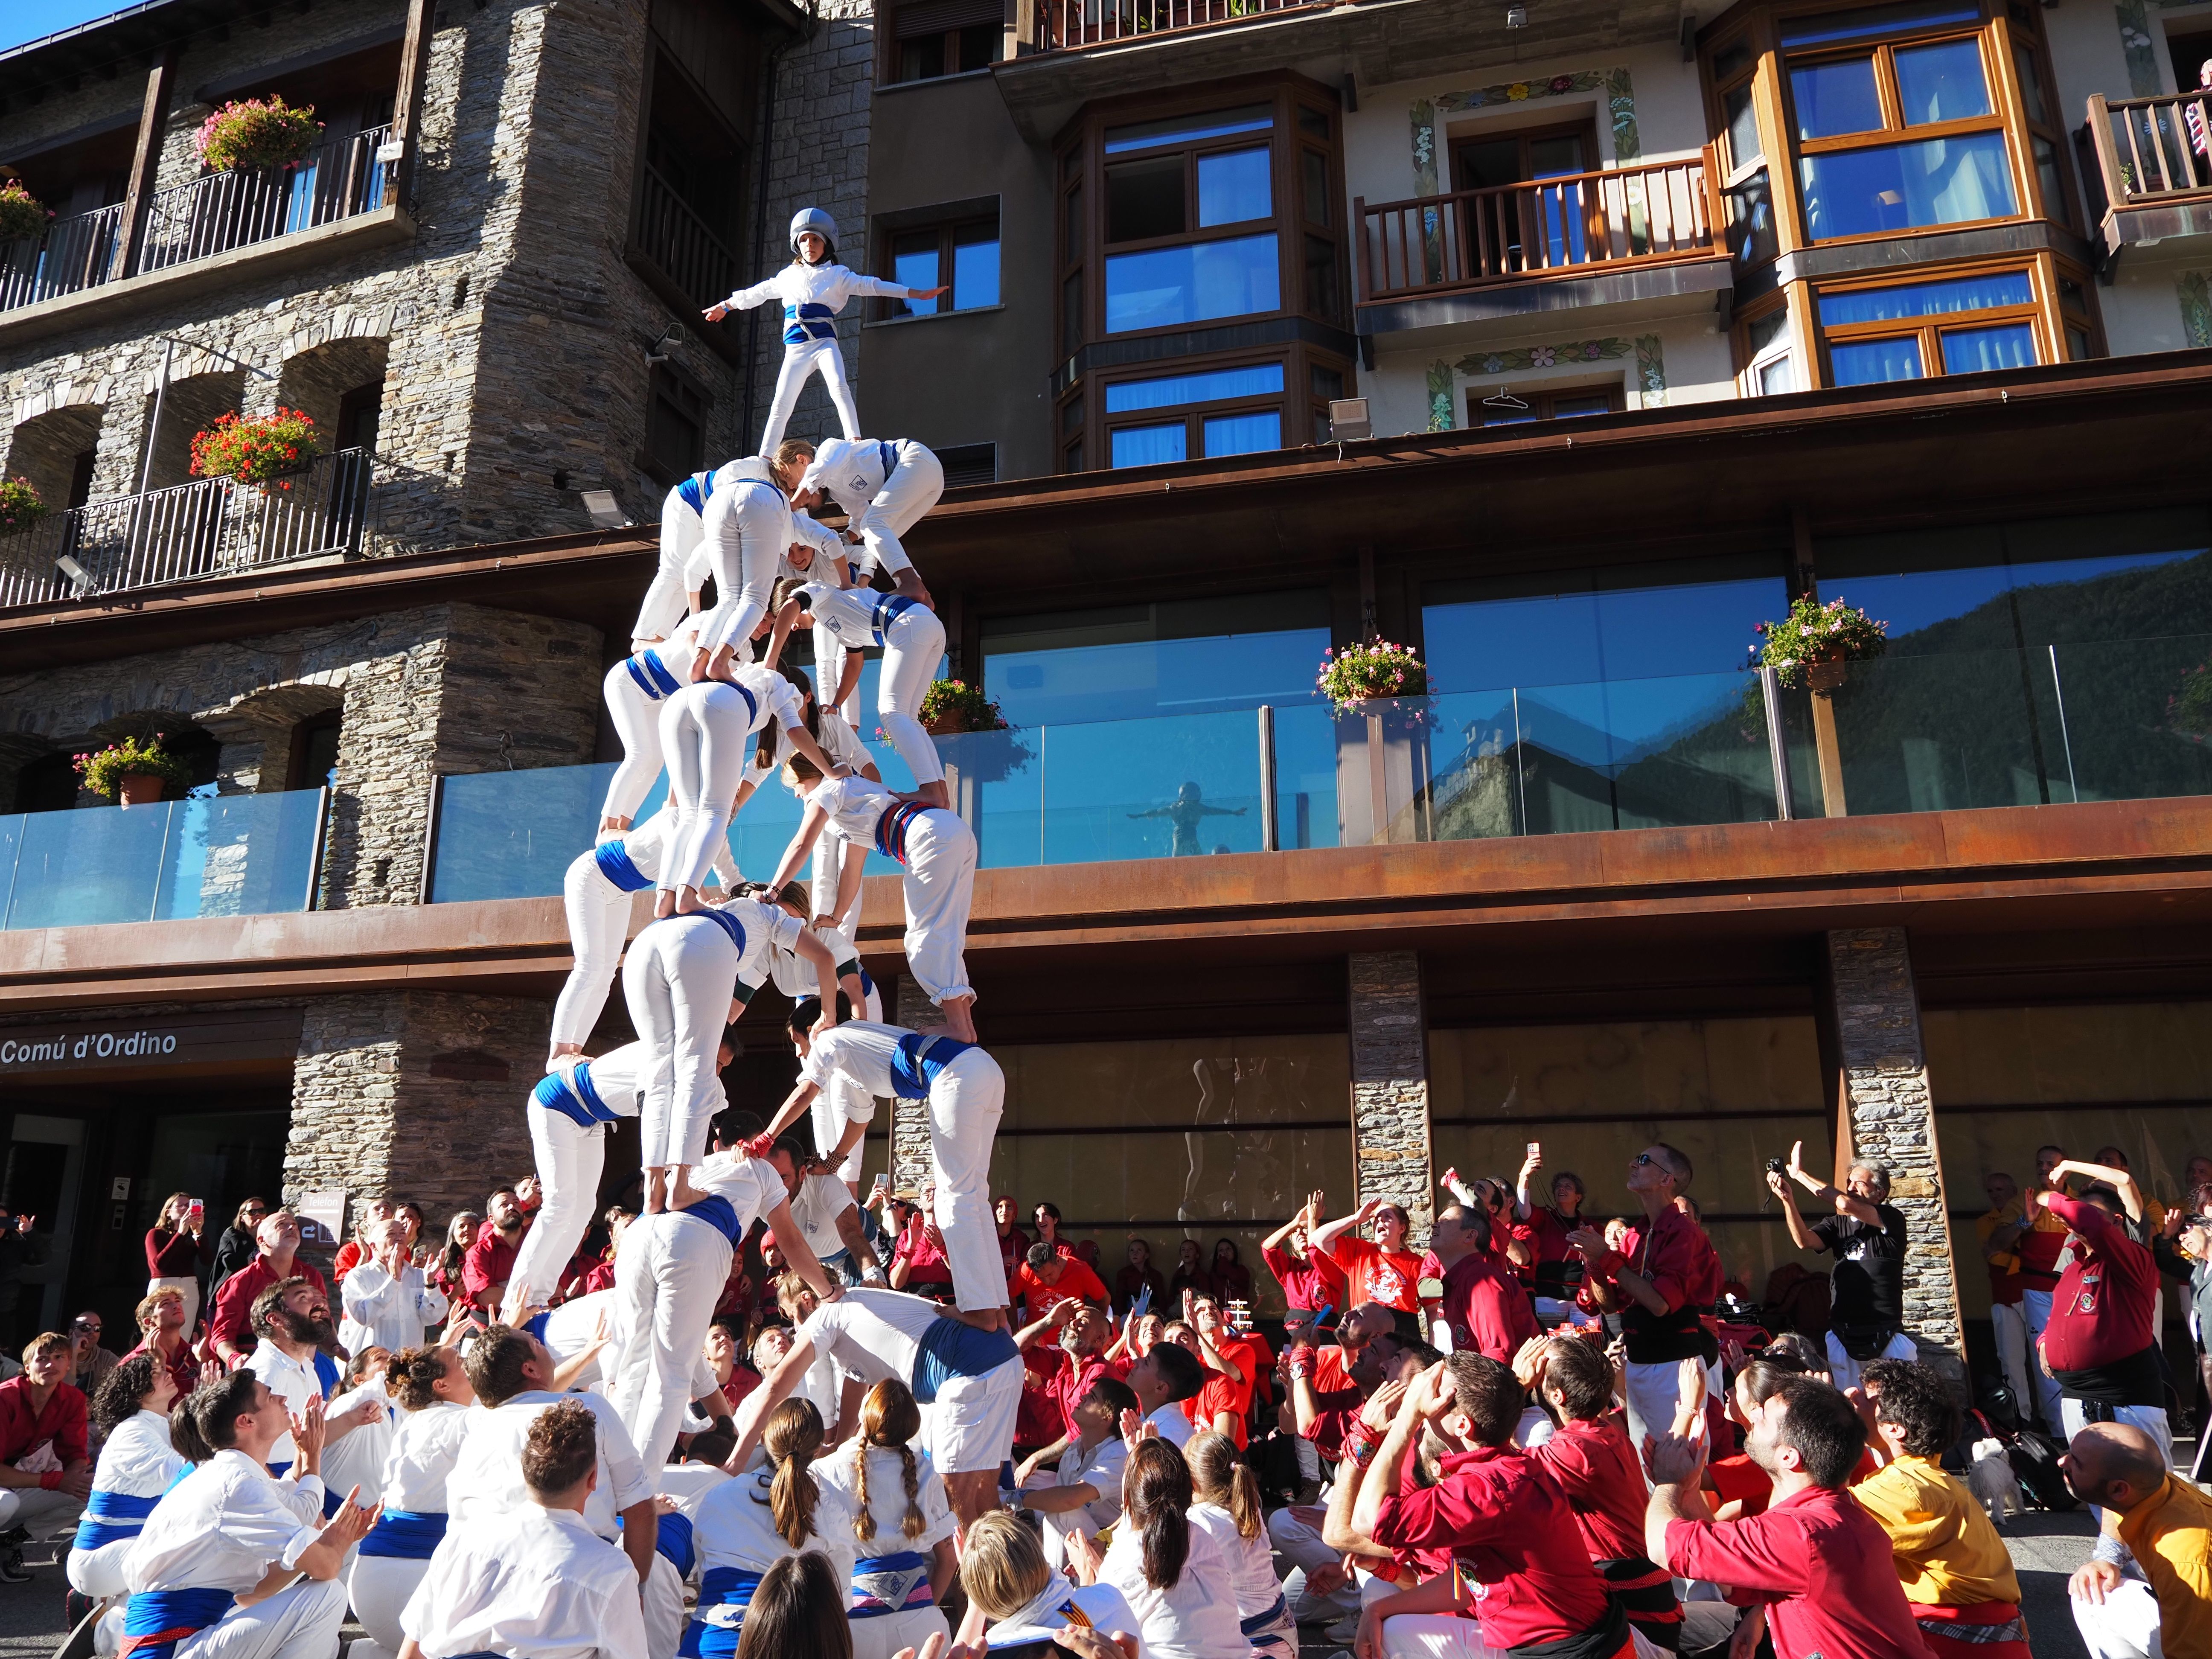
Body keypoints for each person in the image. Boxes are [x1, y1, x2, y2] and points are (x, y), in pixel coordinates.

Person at [1327, 1354, 1615, 1659]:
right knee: (1381, 1604)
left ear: (1463, 1425)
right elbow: (1466, 1581)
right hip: (1582, 1641)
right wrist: (1379, 1610)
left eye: (1435, 1396)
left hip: (1569, 1651)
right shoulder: (1506, 1469)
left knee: (1394, 1633)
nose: (1425, 1400)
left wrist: (1407, 1416)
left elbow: (1365, 1521)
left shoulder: (1486, 1488)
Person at [1646, 1376, 1931, 1659]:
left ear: (1788, 1457)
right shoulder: (1840, 1511)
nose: (1754, 1414)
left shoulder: (1799, 1533)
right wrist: (1688, 1490)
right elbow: (1738, 1584)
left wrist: (1668, 1481)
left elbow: (1662, 1547)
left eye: (1764, 1417)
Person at [608, 1134, 836, 1474]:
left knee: (633, 1366)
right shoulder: (762, 1170)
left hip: (639, 1235)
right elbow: (790, 1239)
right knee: (671, 1375)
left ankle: (613, 1480)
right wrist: (828, 1292)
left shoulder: (699, 1162)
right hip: (692, 1237)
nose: (784, 1182)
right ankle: (637, 1492)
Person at [760, 1011, 1004, 1314]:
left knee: (955, 1196)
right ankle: (996, 1309)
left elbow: (806, 1092)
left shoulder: (828, 1040)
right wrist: (834, 1161)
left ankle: (978, 1310)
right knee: (975, 1195)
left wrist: (764, 1139)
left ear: (812, 1031)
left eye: (798, 1042)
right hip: (985, 1070)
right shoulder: (851, 1052)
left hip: (955, 1075)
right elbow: (861, 1118)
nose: (799, 1053)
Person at [121, 1368, 376, 1659]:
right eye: (269, 1396)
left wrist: (311, 1453)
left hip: (176, 1644)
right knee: (327, 1597)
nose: (281, 1398)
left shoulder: (232, 1473)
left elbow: (254, 1592)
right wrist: (335, 1541)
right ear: (246, 1421)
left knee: (318, 1601)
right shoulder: (237, 1485)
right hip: (167, 1647)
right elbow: (326, 1568)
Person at [732, 1281, 1023, 1534]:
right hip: (1006, 1360)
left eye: (790, 1314)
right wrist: (839, 1445)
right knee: (986, 1498)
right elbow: (855, 1382)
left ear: (807, 1301)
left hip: (967, 1372)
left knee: (956, 1501)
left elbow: (774, 1387)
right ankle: (1020, 1584)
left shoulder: (826, 1315)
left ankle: (988, 1591)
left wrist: (734, 1464)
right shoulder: (859, 1305)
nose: (794, 1328)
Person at [627, 896, 845, 1216]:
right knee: (697, 1071)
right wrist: (828, 1015)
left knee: (661, 1070)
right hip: (702, 941)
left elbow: (730, 1011)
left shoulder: (742, 933)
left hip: (647, 942)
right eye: (796, 914)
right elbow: (825, 958)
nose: (799, 922)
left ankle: (654, 1188)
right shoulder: (770, 914)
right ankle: (680, 1186)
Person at [388, 1395, 644, 1659]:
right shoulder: (611, 1571)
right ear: (594, 1479)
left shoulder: (461, 1540)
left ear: (525, 1472)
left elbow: (411, 1652)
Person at [765, 753, 980, 1043]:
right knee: (948, 933)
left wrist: (772, 892)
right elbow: (852, 869)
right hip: (952, 831)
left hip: (927, 838)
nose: (796, 793)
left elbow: (802, 843)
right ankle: (963, 1026)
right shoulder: (856, 791)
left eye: (795, 785)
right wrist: (837, 917)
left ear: (806, 777)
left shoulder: (826, 791)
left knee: (924, 939)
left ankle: (957, 1025)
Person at [706, 210, 940, 450]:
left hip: (824, 343)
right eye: (804, 240)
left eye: (816, 239)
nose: (810, 245)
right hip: (796, 348)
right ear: (797, 245)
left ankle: (855, 441)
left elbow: (871, 286)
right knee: (781, 403)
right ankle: (765, 457)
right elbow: (759, 292)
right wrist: (726, 306)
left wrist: (912, 293)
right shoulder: (788, 276)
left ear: (827, 243)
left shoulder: (837, 275)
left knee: (839, 386)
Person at [446, 1324, 659, 1584]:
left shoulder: (472, 1424)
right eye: (535, 1342)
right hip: (576, 1571)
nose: (542, 1344)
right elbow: (639, 1507)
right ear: (531, 1369)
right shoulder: (589, 1408)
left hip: (474, 1575)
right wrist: (637, 1591)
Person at [1515, 1332, 1680, 1653]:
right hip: (1645, 1605)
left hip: (1636, 1621)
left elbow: (1499, 1472)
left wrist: (1517, 1386)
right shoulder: (1603, 1432)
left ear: (1557, 1396)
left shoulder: (1577, 1451)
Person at [1852, 1359, 2026, 1659]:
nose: (1853, 1397)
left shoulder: (1905, 1487)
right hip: (1979, 1639)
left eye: (1869, 1399)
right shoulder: (1921, 1476)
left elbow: (1800, 1525)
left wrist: (1819, 1428)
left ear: (1895, 1429)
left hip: (1956, 1641)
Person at [552, 803, 742, 1058]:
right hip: (591, 876)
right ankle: (559, 1051)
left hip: (622, 892)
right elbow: (682, 875)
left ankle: (575, 1048)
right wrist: (706, 903)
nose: (723, 821)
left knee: (607, 971)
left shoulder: (717, 840)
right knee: (590, 967)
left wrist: (757, 899)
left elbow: (733, 881)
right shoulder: (679, 819)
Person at [653, 668, 845, 919]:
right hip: (719, 705)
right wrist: (829, 772)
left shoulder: (750, 672)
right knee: (714, 813)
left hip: (677, 703)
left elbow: (759, 769)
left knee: (691, 815)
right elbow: (796, 732)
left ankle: (665, 897)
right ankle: (687, 896)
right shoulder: (784, 687)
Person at [1571, 1144, 1722, 1449]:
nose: (1632, 1164)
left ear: (1667, 1180)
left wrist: (1606, 1257)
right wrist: (1595, 1265)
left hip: (1674, 1367)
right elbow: (1610, 1304)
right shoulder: (1636, 1235)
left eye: (1643, 1160)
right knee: (1649, 1467)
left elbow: (1660, 1303)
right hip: (1638, 1363)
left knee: (1681, 1468)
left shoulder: (1685, 1234)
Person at [509, 1041, 658, 1319]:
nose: (718, 1070)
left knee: (584, 1209)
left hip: (592, 1121)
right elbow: (656, 1128)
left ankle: (539, 1300)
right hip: (556, 1104)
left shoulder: (693, 1076)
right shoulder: (663, 1059)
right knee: (561, 1203)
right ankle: (516, 1301)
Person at [768, 579, 948, 809]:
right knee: (909, 717)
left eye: (790, 619)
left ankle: (930, 790)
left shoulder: (816, 591)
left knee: (892, 712)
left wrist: (771, 663)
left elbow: (792, 606)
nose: (793, 627)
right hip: (926, 626)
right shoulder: (835, 617)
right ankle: (940, 793)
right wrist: (835, 705)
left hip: (906, 623)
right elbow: (854, 663)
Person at [684, 1397, 844, 1654]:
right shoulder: (832, 1513)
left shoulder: (718, 1496)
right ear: (817, 1452)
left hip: (709, 1645)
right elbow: (839, 1598)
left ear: (763, 1441)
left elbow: (704, 1573)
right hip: (787, 1647)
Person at [812, 1378, 956, 1659]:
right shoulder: (926, 1471)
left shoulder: (824, 1471)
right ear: (911, 1425)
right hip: (925, 1624)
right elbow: (949, 1561)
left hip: (852, 1625)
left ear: (865, 1418)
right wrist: (924, 1605)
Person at [348, 1346, 475, 1659]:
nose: (469, 1363)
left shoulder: (412, 1423)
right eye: (460, 1361)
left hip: (367, 1595)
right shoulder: (472, 1421)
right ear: (441, 1385)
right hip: (421, 1593)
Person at [1076, 1436, 1246, 1659]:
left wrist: (1088, 1582)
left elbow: (1096, 1634)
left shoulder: (1126, 1556)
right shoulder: (1203, 1538)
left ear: (1126, 1500)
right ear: (1190, 1493)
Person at [2038, 1181, 2170, 1468]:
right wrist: (2045, 1341)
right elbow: (2058, 1314)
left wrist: (2052, 1198)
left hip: (2125, 1396)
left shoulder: (2133, 1259)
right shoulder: (2073, 1266)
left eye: (2089, 1212)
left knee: (2148, 1489)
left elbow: (2091, 1224)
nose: (2076, 1219)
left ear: (2116, 1220)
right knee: (2095, 1489)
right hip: (2075, 1394)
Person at [1767, 1142, 1913, 1391]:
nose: (1850, 1188)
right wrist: (1788, 1200)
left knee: (1895, 1406)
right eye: (1849, 1182)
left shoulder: (1891, 1219)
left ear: (1880, 1193)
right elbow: (1804, 1241)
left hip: (1886, 1332)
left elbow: (1844, 1203)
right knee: (1850, 1401)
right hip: (1843, 1332)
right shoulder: (1836, 1224)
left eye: (1860, 1183)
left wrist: (1800, 1175)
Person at [2062, 1420, 2212, 1659]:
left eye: (2076, 1462)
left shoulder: (2184, 1566)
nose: (2062, 1461)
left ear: (2120, 1490)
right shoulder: (2154, 1485)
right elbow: (2112, 1500)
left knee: (2091, 1597)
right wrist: (2108, 1556)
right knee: (2092, 1589)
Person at [67, 1351, 187, 1625]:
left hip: (126, 1550)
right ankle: (106, 1629)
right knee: (188, 1554)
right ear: (136, 1391)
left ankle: (101, 1606)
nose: (167, 1373)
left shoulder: (165, 1425)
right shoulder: (132, 1432)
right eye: (156, 1373)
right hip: (98, 1559)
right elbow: (187, 1474)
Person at [244, 1281, 380, 1511]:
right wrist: (286, 1502)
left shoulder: (306, 1367)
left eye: (318, 1298)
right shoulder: (263, 1374)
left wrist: (356, 1418)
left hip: (295, 1479)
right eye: (303, 1299)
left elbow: (311, 1438)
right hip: (265, 1487)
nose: (319, 1304)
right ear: (276, 1319)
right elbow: (242, 1451)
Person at [789, 436, 945, 604]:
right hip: (927, 480)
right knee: (879, 538)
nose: (793, 486)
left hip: (915, 460)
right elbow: (860, 516)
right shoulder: (836, 492)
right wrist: (846, 538)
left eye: (788, 477)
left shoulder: (827, 449)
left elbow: (817, 473)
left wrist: (790, 506)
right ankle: (921, 593)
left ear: (802, 460)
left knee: (873, 525)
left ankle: (911, 583)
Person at [1185, 1429, 1297, 1659]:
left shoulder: (1201, 1520)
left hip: (1253, 1644)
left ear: (1193, 1483)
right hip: (1281, 1635)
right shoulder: (1248, 1504)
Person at [956, 1509, 1141, 1646]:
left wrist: (976, 1601)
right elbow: (1078, 1619)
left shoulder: (1001, 1648)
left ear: (985, 1601)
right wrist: (1087, 1583)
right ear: (1037, 1552)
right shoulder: (1110, 1597)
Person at [1012, 1374, 1134, 1571]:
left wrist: (1017, 1498)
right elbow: (1057, 1506)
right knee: (1053, 1510)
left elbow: (1070, 1501)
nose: (1083, 1398)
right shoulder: (1074, 1448)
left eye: (1093, 1397)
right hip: (1081, 1538)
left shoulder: (1118, 1454)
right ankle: (1042, 1578)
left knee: (1063, 1511)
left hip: (1111, 1545)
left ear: (1107, 1418)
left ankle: (1051, 1586)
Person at [1988, 1144, 2072, 1431]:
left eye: (2051, 1162)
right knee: (2045, 1358)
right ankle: (2060, 1431)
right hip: (2038, 1290)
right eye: (2040, 1163)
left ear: (2066, 1167)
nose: (2044, 1168)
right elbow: (1995, 1245)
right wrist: (2026, 1221)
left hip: (2077, 1290)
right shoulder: (2023, 1202)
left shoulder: (2081, 1200)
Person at [0, 1330, 93, 1568]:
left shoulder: (72, 1399)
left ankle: (9, 1543)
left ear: (68, 1364)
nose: (51, 1364)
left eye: (60, 1357)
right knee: (5, 1503)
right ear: (27, 1367)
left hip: (10, 1478)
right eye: (42, 1359)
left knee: (90, 1492)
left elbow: (75, 1453)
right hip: (5, 1483)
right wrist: (56, 1481)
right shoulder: (5, 1398)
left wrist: (77, 1478)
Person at [206, 1210, 328, 1368]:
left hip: (305, 1362)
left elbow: (325, 1320)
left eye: (294, 1225)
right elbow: (222, 1335)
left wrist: (336, 1347)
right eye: (282, 1225)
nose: (292, 1227)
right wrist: (235, 1360)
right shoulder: (240, 1281)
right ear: (262, 1240)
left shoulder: (312, 1275)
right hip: (254, 1362)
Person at [1426, 1203, 1538, 1362]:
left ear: (1470, 1236)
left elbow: (1499, 1355)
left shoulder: (1480, 1280)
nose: (1435, 1225)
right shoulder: (1459, 1280)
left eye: (1446, 1221)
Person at [340, 1218, 449, 1357]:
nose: (399, 1237)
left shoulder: (418, 1275)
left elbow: (432, 1318)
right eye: (391, 1234)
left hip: (409, 1365)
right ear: (374, 1247)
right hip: (374, 1369)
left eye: (403, 1233)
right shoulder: (358, 1276)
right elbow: (363, 1316)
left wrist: (430, 1284)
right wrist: (393, 1281)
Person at [1976, 1170, 2034, 1420]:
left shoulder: (2032, 1216)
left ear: (2013, 1192)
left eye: (2000, 1190)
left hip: (2031, 1294)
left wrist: (2014, 1257)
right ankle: (2022, 1417)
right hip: (2003, 1297)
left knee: (2045, 1360)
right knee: (2011, 1361)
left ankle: (2053, 1417)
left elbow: (2000, 1252)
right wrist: (2024, 1260)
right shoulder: (1985, 1221)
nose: (1995, 1195)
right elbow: (1993, 1255)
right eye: (1991, 1191)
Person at [1511, 1145, 1590, 1313]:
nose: (1561, 1188)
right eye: (1558, 1187)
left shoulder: (1591, 1227)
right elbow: (1524, 1210)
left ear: (1578, 1197)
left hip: (1582, 1298)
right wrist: (1524, 1176)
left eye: (1568, 1187)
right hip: (1548, 1297)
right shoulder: (1545, 1217)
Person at [1311, 1198, 1422, 1314]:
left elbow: (1431, 1307)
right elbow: (1318, 1238)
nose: (1380, 1220)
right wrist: (1356, 1219)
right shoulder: (1359, 1251)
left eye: (1388, 1217)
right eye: (1377, 1217)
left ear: (1402, 1228)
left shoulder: (1417, 1263)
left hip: (1402, 1329)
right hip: (1364, 1327)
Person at [1260, 1193, 1345, 1321]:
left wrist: (1313, 1220)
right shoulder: (1289, 1268)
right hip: (1294, 1332)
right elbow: (1267, 1248)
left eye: (1305, 1229)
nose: (1300, 1232)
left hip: (1323, 1332)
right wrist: (1295, 1223)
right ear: (1293, 1244)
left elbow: (1316, 1250)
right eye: (1295, 1232)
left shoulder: (1332, 1264)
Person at [122, 1286, 201, 1404]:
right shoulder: (133, 1362)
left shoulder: (197, 1352)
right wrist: (158, 1362)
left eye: (178, 1301)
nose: (176, 1306)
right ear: (149, 1322)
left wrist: (203, 1359)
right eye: (166, 1304)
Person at [146, 1193, 210, 1338]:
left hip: (188, 1286)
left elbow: (207, 1261)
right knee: (160, 1333)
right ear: (168, 1212)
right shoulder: (156, 1234)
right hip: (164, 1285)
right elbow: (159, 1265)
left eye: (189, 1206)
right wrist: (181, 1232)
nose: (185, 1209)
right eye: (180, 1205)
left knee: (184, 1335)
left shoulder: (192, 1236)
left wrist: (198, 1232)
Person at [207, 1199, 268, 1301]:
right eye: (252, 1212)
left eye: (262, 1211)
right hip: (231, 1293)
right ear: (242, 1218)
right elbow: (231, 1264)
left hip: (259, 1294)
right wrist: (254, 1238)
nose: (258, 1215)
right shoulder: (232, 1235)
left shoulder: (270, 1236)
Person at [68, 1310, 121, 1404]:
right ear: (71, 1333)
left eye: (97, 1328)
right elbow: (65, 1389)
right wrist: (74, 1352)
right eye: (85, 1327)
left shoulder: (106, 1358)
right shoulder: (57, 1354)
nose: (92, 1332)